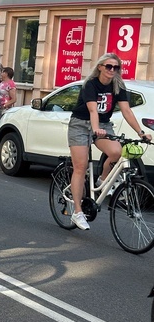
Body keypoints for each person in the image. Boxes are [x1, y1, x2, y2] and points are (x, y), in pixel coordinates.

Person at [67, 53, 151, 230]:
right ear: (100, 67)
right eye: (109, 66)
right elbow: (92, 110)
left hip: (104, 124)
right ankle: (77, 212)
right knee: (80, 167)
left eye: (116, 67)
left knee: (117, 152)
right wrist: (96, 129)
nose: (112, 70)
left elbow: (127, 111)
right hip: (81, 125)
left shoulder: (118, 85)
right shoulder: (90, 84)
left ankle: (102, 179)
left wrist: (141, 132)